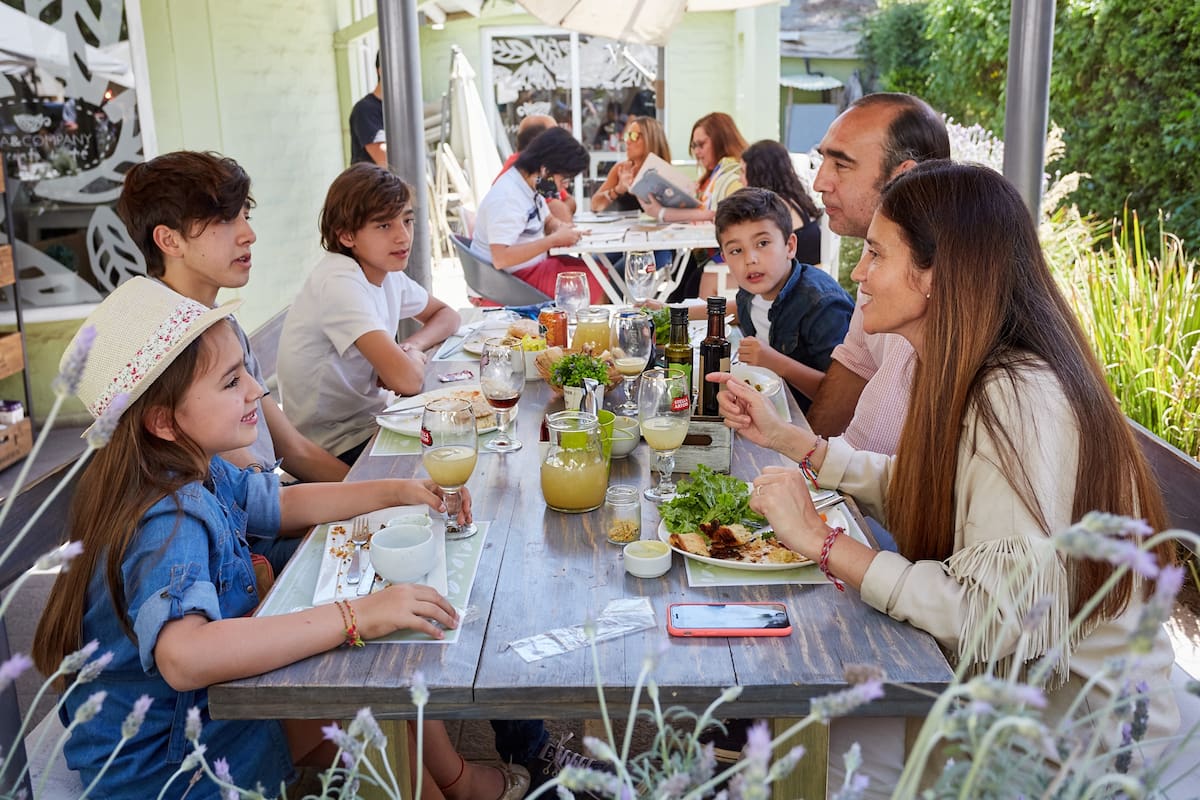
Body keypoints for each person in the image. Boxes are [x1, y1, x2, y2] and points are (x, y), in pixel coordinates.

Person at [718, 162, 1179, 793]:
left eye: (875, 254)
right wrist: (797, 442)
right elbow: (937, 486)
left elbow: (989, 614)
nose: (857, 273)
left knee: (800, 750)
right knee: (792, 731)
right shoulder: (978, 366)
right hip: (1010, 694)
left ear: (938, 272)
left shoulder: (1017, 394)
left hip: (1070, 739)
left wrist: (823, 542)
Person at [31, 277, 528, 800]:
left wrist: (399, 490)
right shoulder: (167, 515)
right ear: (162, 420)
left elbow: (283, 504)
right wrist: (355, 616)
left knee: (371, 672)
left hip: (196, 723)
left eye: (245, 371)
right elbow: (184, 656)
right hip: (170, 764)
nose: (256, 389)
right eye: (230, 382)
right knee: (367, 685)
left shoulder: (194, 469)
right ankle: (452, 787)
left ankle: (453, 785)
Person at [116, 150, 349, 574]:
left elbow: (292, 448)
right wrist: (379, 497)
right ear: (169, 241)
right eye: (225, 221)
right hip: (235, 556)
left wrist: (372, 488)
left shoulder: (219, 325)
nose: (248, 235)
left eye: (245, 214)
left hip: (269, 516)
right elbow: (259, 502)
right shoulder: (164, 347)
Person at [277, 164, 460, 465]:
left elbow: (447, 315)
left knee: (463, 432)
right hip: (335, 445)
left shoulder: (384, 271)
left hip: (372, 421)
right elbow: (408, 381)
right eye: (384, 226)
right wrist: (408, 362)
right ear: (347, 235)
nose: (403, 237)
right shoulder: (339, 283)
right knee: (454, 451)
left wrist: (410, 347)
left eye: (407, 220)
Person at [804, 93, 950, 455]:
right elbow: (854, 364)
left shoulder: (946, 282)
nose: (820, 182)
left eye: (841, 164)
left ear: (905, 177)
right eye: (822, 160)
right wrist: (803, 470)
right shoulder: (877, 270)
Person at [715, 188, 853, 412]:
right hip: (769, 406)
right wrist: (673, 311)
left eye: (762, 243)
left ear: (790, 246)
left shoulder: (822, 305)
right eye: (736, 250)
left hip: (810, 424)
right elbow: (743, 309)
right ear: (725, 258)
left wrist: (776, 362)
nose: (750, 259)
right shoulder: (753, 288)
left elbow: (843, 397)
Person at [470, 126, 605, 302]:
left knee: (599, 271)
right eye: (564, 179)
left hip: (527, 271)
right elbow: (501, 258)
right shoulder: (508, 197)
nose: (564, 186)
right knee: (593, 282)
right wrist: (554, 240)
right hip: (507, 283)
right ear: (545, 170)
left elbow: (547, 219)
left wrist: (560, 227)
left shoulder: (528, 185)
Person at [641, 112, 746, 303]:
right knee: (680, 282)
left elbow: (723, 217)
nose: (696, 151)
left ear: (721, 140)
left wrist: (663, 212)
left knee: (682, 286)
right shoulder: (715, 176)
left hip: (722, 260)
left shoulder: (732, 176)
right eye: (693, 145)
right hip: (706, 256)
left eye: (701, 144)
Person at [739, 139, 823, 266]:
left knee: (704, 276)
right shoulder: (793, 199)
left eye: (743, 172)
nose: (740, 179)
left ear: (757, 174)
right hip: (804, 269)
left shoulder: (771, 207)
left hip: (790, 275)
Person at [495, 114, 576, 222]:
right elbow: (556, 211)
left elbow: (569, 200)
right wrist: (559, 209)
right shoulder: (520, 170)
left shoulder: (543, 167)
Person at [589, 116, 672, 214]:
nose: (627, 141)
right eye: (627, 136)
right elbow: (594, 206)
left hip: (659, 227)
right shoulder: (621, 169)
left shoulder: (666, 171)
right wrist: (617, 190)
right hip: (626, 227)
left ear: (650, 139)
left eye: (634, 136)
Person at [349, 52, 386, 166]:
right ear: (381, 71)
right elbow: (385, 159)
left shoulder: (400, 112)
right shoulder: (365, 110)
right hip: (373, 183)